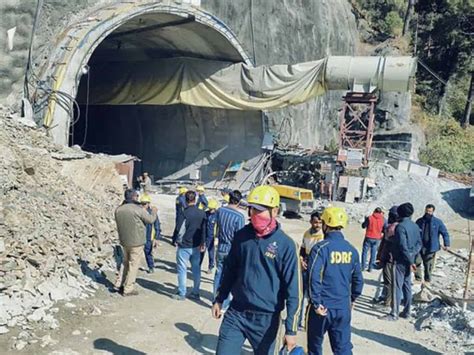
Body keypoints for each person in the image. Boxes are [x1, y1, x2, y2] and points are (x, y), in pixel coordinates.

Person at [212, 185, 301, 354]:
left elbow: (294, 290)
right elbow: (229, 270)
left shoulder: (287, 245)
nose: (253, 214)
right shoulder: (241, 236)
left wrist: (291, 330)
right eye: (252, 209)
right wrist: (220, 298)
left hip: (266, 320)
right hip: (236, 313)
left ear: (274, 211)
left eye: (259, 210)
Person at [306, 207, 364, 355]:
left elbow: (313, 277)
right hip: (343, 307)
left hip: (323, 308)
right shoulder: (352, 250)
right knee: (343, 348)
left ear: (325, 224)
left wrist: (316, 303)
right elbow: (358, 280)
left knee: (315, 346)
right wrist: (352, 299)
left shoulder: (320, 249)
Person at [114, 189, 157, 296]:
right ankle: (128, 288)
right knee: (133, 265)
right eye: (136, 196)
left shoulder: (119, 209)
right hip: (137, 242)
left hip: (124, 241)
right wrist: (154, 211)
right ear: (133, 197)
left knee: (125, 263)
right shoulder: (138, 209)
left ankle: (120, 284)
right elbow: (150, 220)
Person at [384, 202, 421, 321]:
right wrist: (412, 256)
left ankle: (394, 313)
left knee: (397, 286)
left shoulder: (400, 227)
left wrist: (410, 259)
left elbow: (402, 246)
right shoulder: (415, 226)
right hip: (410, 260)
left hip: (400, 260)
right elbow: (419, 244)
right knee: (407, 286)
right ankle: (406, 312)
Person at [213, 190, 245, 310]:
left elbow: (217, 226)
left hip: (221, 247)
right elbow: (240, 237)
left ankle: (215, 299)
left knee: (218, 273)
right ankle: (224, 302)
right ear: (238, 201)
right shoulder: (239, 217)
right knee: (229, 276)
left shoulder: (220, 211)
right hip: (232, 249)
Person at [172, 190, 207, 301]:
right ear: (195, 199)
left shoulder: (184, 213)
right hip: (196, 246)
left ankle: (182, 293)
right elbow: (204, 230)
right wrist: (203, 242)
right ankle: (196, 292)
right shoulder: (202, 213)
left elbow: (178, 229)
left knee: (182, 269)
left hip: (184, 246)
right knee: (196, 270)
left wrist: (175, 240)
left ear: (186, 200)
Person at [298, 211, 324, 330]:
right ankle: (299, 320)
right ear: (311, 222)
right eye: (315, 222)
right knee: (301, 295)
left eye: (319, 222)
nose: (317, 225)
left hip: (317, 267)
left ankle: (308, 321)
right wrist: (301, 261)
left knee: (312, 296)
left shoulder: (323, 236)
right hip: (306, 265)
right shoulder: (306, 234)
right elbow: (302, 250)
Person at [415, 204, 450, 285]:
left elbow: (445, 233)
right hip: (419, 247)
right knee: (417, 262)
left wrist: (446, 244)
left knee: (428, 265)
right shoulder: (419, 221)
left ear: (433, 211)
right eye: (427, 211)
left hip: (431, 247)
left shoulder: (437, 222)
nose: (428, 213)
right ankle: (418, 279)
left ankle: (427, 280)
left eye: (430, 211)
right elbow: (414, 233)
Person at [373, 206, 399, 307]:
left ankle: (387, 302)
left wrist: (381, 258)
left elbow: (386, 246)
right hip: (392, 258)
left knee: (388, 281)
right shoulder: (397, 227)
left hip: (389, 258)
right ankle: (385, 297)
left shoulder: (392, 228)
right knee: (389, 280)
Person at [139, 194, 161, 274]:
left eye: (145, 203)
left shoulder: (152, 212)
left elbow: (157, 225)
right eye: (142, 203)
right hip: (139, 236)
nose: (143, 205)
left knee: (148, 252)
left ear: (148, 204)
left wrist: (157, 238)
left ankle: (151, 267)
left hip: (149, 237)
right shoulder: (138, 212)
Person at [361, 207, 386, 272]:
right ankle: (370, 268)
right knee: (373, 253)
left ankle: (363, 267)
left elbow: (363, 226)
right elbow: (384, 229)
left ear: (374, 211)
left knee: (365, 252)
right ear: (380, 212)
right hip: (377, 238)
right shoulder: (383, 219)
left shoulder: (370, 218)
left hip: (369, 236)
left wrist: (365, 220)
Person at [200, 198, 219, 273]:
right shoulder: (206, 214)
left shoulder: (217, 215)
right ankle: (198, 265)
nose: (210, 210)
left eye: (212, 209)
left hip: (212, 237)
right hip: (205, 236)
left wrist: (217, 237)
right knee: (201, 251)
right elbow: (202, 225)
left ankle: (210, 267)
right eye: (210, 209)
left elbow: (218, 227)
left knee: (211, 253)